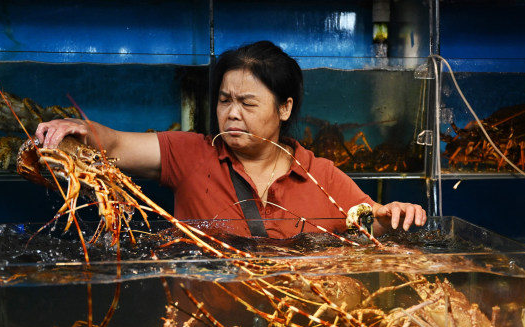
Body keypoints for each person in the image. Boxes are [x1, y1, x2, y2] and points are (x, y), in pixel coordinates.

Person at [35, 40, 426, 239]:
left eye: (247, 103)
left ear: (285, 108)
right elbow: (116, 145)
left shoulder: (320, 174)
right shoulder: (190, 154)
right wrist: (79, 127)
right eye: (224, 101)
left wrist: (397, 214)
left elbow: (372, 223)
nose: (232, 113)